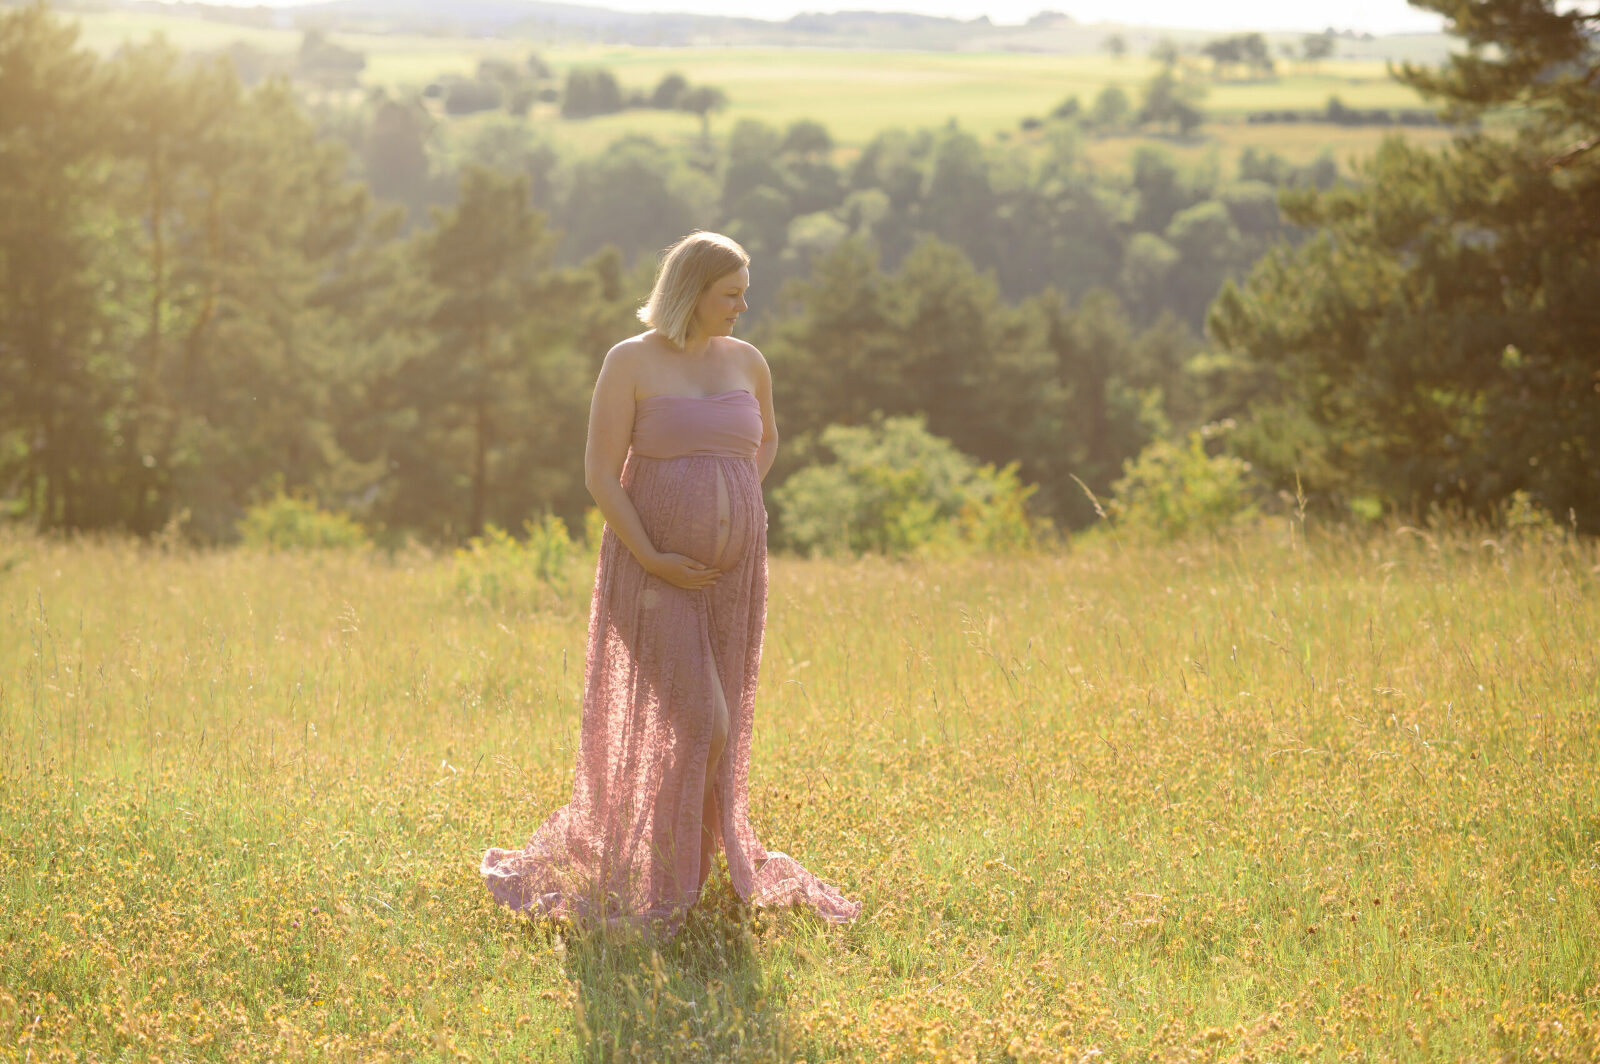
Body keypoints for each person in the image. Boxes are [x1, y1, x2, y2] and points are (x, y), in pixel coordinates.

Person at [481, 231, 860, 932]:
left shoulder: (749, 361)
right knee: (703, 719)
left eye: (745, 292)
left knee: (715, 722)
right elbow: (600, 472)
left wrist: (735, 491)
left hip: (734, 577)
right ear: (693, 290)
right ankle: (657, 869)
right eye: (732, 293)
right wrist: (655, 554)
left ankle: (684, 862)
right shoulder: (630, 362)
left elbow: (767, 438)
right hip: (650, 573)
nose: (745, 306)